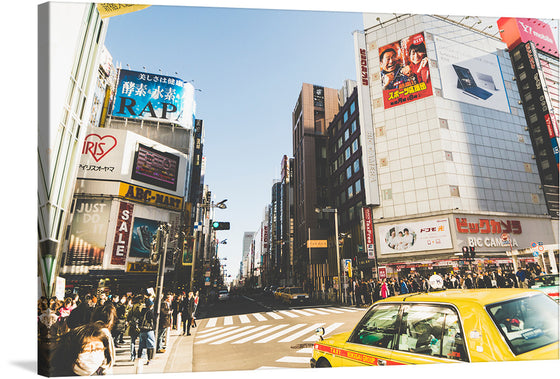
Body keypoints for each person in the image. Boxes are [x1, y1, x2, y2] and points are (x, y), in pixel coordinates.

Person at [138, 298, 156, 365]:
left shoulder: (142, 311)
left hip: (142, 330)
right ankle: (149, 360)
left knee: (141, 345)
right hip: (149, 330)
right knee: (150, 345)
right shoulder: (150, 312)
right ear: (150, 305)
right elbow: (154, 320)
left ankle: (139, 359)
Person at [127, 295, 145, 361]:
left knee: (132, 341)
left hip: (133, 325)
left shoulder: (132, 307)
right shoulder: (143, 306)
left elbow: (128, 316)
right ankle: (141, 356)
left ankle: (132, 356)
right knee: (142, 341)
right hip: (140, 326)